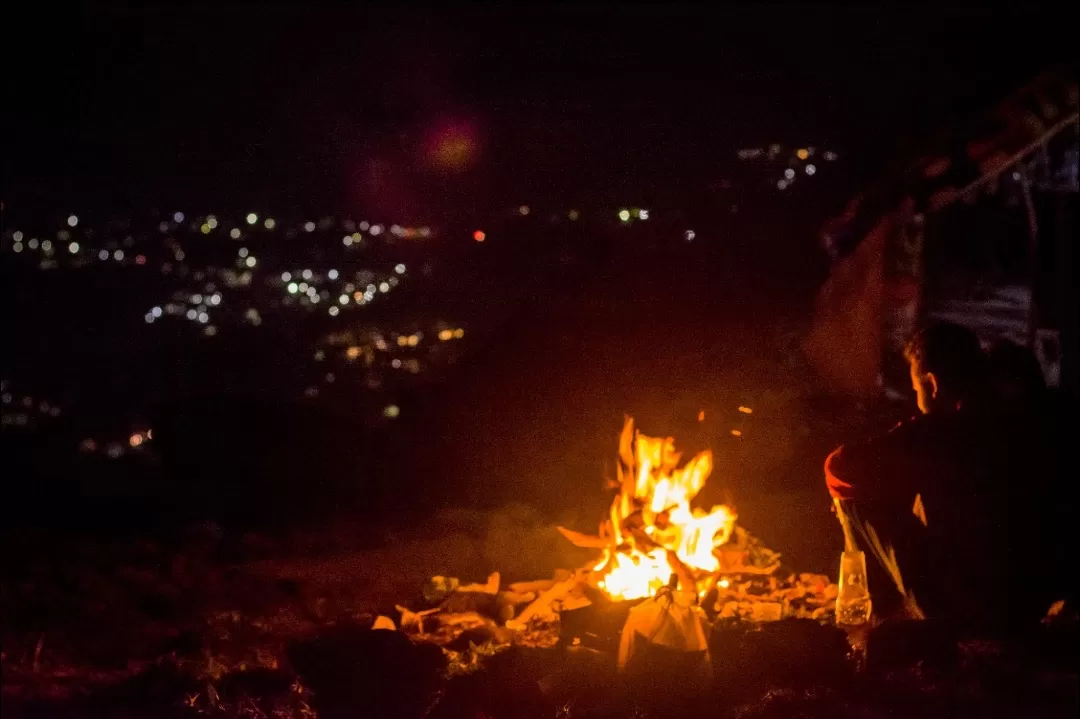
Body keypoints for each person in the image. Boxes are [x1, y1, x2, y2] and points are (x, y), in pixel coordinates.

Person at [825, 322, 1066, 635]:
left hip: (966, 606)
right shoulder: (1028, 423)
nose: (916, 398)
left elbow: (839, 466)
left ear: (932, 382)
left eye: (915, 388)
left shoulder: (942, 431)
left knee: (852, 492)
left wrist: (883, 486)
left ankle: (877, 614)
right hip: (1031, 603)